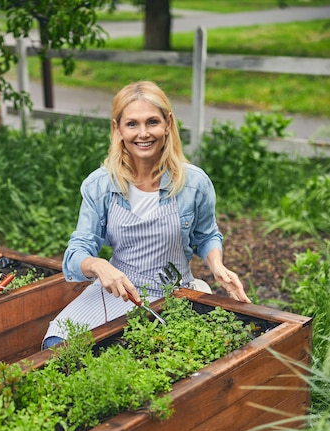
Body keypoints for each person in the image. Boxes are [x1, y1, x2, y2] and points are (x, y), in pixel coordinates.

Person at [42, 80, 250, 349]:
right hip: (120, 291)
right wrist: (99, 265)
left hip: (175, 291)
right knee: (56, 346)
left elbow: (206, 235)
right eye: (132, 124)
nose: (143, 133)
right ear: (117, 129)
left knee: (161, 354)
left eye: (152, 122)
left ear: (168, 124)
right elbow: (76, 253)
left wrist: (217, 266)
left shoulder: (194, 182)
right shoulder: (100, 185)